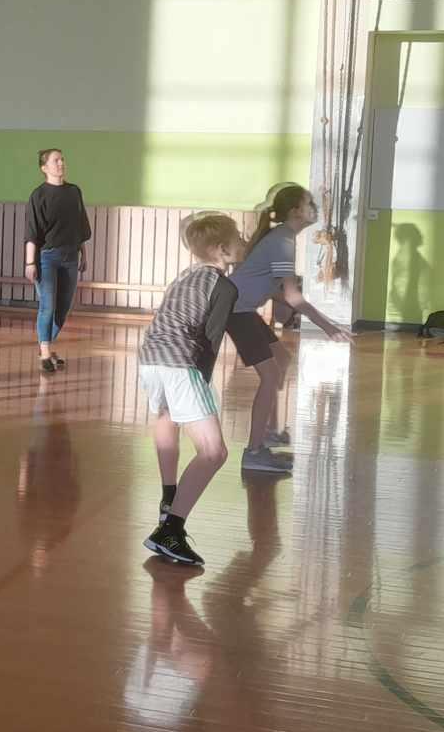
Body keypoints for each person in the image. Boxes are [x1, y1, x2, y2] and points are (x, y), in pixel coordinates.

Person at [135, 213, 249, 566]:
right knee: (214, 452)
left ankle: (170, 496)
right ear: (221, 249)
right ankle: (170, 531)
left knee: (168, 416)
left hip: (150, 357)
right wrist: (202, 384)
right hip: (179, 363)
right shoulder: (224, 287)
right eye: (239, 238)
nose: (244, 242)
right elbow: (210, 342)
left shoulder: (185, 275)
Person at [226, 184, 352, 475]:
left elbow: (275, 291)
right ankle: (254, 453)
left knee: (281, 359)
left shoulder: (283, 237)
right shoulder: (282, 240)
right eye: (309, 203)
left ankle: (267, 433)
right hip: (236, 311)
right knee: (270, 376)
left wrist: (298, 310)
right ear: (296, 211)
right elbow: (293, 297)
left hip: (243, 308)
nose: (315, 208)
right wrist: (329, 327)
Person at [23, 148, 90, 372]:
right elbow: (32, 232)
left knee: (63, 308)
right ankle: (45, 352)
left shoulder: (74, 192)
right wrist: (30, 263)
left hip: (71, 257)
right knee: (48, 306)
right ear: (44, 168)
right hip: (46, 258)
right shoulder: (38, 195)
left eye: (62, 159)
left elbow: (80, 226)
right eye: (56, 160)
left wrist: (84, 253)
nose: (61, 163)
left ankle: (45, 344)